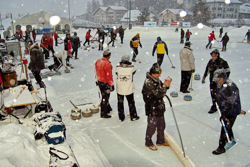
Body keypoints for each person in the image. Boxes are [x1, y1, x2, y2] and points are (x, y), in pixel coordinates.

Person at [142, 63, 172, 151]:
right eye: (158, 73)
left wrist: (166, 85)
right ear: (153, 73)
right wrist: (165, 86)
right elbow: (158, 94)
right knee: (152, 126)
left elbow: (161, 90)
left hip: (159, 106)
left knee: (161, 125)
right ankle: (148, 142)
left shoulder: (156, 80)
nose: (160, 75)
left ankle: (160, 140)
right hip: (152, 107)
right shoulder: (148, 82)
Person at [212, 69, 241, 155]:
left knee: (225, 125)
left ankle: (221, 148)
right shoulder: (221, 83)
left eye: (218, 80)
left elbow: (231, 102)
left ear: (223, 77)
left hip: (232, 110)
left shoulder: (229, 86)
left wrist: (224, 114)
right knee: (227, 125)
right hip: (225, 108)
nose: (217, 82)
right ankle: (231, 138)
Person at [202, 49, 230, 114]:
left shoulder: (223, 62)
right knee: (213, 94)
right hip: (212, 81)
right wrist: (204, 77)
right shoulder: (210, 62)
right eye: (212, 56)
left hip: (220, 83)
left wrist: (223, 80)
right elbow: (207, 70)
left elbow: (228, 71)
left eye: (214, 56)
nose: (213, 57)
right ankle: (214, 106)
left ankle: (221, 106)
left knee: (220, 95)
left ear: (217, 56)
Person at [115, 54, 139, 121]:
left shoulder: (117, 67)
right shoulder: (131, 68)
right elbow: (135, 68)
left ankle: (121, 117)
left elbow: (116, 73)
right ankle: (133, 116)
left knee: (120, 103)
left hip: (120, 88)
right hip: (129, 88)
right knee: (131, 103)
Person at [95, 49, 114, 118]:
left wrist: (97, 79)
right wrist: (111, 84)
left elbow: (96, 71)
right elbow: (109, 76)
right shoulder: (107, 64)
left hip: (100, 82)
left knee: (104, 96)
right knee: (105, 98)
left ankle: (107, 108)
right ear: (109, 56)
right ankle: (103, 113)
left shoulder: (98, 61)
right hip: (105, 83)